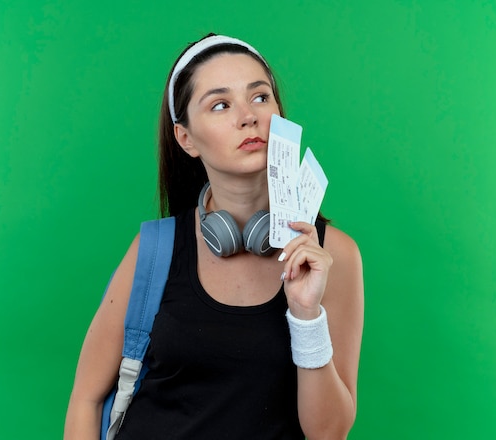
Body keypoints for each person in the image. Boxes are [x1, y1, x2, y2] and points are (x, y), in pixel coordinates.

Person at [64, 33, 364, 440]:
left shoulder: (333, 256)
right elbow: (86, 397)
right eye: (221, 105)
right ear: (186, 138)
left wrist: (306, 314)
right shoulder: (156, 251)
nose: (248, 116)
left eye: (260, 97)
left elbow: (328, 433)